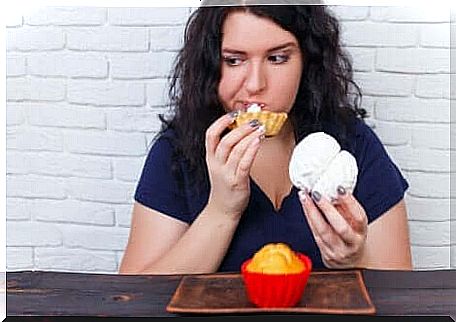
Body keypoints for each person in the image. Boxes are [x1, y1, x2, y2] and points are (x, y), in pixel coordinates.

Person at [119, 3, 412, 274]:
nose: (256, 85)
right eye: (234, 61)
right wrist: (222, 209)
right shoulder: (176, 152)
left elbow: (403, 294)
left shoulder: (352, 141)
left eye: (277, 58)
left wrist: (356, 259)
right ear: (211, 65)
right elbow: (135, 299)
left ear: (307, 60)